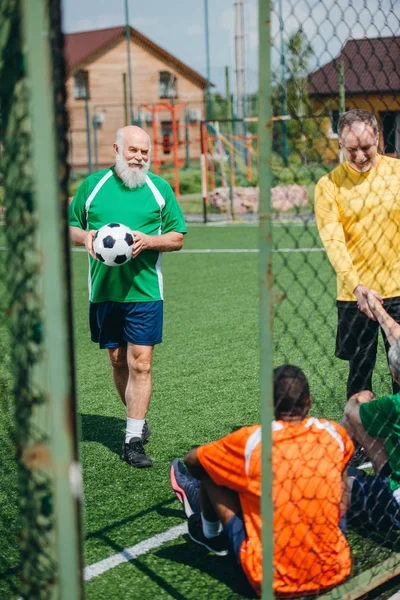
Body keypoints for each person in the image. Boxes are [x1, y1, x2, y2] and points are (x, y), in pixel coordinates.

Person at [170, 365, 353, 597]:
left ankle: (210, 534)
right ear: (309, 401)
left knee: (212, 468)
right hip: (335, 569)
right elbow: (342, 485)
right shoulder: (333, 433)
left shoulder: (252, 440)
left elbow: (193, 460)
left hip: (271, 581)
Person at [69, 125, 186, 468]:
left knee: (141, 363)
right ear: (116, 149)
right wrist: (86, 238)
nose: (138, 158)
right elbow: (71, 226)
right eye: (132, 150)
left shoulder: (159, 189)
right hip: (104, 292)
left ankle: (132, 439)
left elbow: (178, 237)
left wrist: (149, 241)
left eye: (144, 153)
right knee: (118, 362)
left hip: (146, 292)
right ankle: (137, 419)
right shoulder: (92, 187)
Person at [315, 109, 400, 400]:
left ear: (378, 137)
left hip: (398, 290)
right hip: (355, 295)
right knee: (360, 376)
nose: (361, 156)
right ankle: (363, 442)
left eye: (366, 147)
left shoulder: (397, 173)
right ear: (341, 144)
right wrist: (357, 286)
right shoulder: (328, 186)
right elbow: (333, 241)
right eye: (352, 150)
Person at [342, 292, 400, 532]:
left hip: (396, 506)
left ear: (394, 375)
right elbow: (396, 332)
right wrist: (377, 308)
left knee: (355, 406)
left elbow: (353, 412)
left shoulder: (392, 405)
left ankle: (333, 460)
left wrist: (363, 397)